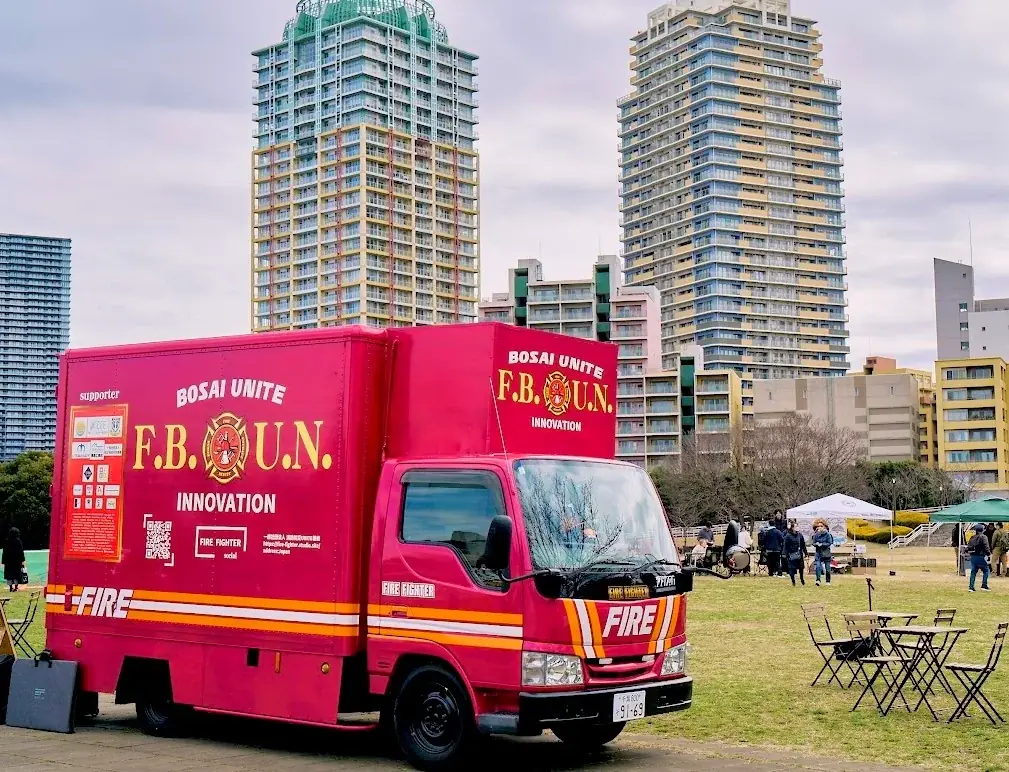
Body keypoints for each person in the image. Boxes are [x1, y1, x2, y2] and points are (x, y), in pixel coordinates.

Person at [968, 523, 992, 593]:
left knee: (973, 572)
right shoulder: (984, 537)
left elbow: (969, 547)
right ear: (982, 530)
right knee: (986, 571)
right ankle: (984, 585)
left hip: (973, 557)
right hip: (981, 556)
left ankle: (971, 587)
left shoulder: (972, 537)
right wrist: (988, 554)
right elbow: (986, 547)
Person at [2, 527, 25, 593]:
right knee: (16, 575)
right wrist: (22, 560)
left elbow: (4, 552)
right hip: (17, 561)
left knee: (9, 575)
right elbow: (21, 552)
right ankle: (16, 587)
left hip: (8, 562)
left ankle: (10, 587)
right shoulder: (18, 541)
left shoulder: (7, 541)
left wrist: (3, 561)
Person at [783, 520, 807, 586]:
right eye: (796, 526)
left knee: (801, 567)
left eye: (797, 526)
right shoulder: (788, 536)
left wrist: (806, 553)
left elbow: (803, 545)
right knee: (792, 568)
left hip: (799, 553)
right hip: (791, 554)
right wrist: (784, 553)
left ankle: (802, 579)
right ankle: (793, 581)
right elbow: (785, 545)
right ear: (792, 527)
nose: (797, 527)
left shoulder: (800, 535)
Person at [811, 518, 834, 586]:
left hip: (826, 553)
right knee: (818, 566)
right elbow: (813, 543)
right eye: (818, 526)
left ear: (824, 527)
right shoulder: (816, 534)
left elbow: (829, 543)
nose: (819, 527)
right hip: (818, 553)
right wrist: (816, 544)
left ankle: (828, 581)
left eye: (821, 526)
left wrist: (822, 544)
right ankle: (818, 580)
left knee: (827, 568)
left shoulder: (828, 534)